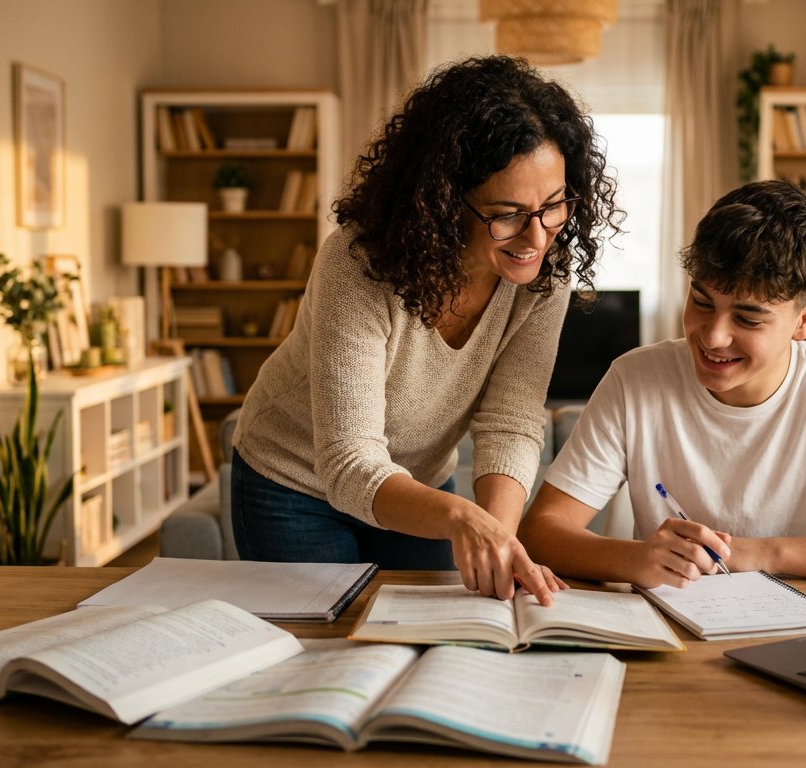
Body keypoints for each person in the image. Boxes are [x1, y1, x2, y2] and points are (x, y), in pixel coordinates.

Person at [231, 56, 621, 605]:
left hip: (417, 485)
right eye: (507, 213)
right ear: (441, 201)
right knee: (325, 652)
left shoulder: (542, 276)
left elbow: (510, 422)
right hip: (297, 483)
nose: (537, 236)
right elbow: (348, 462)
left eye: (554, 205)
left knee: (441, 631)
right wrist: (465, 519)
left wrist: (499, 534)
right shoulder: (360, 263)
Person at [519, 180, 806, 588]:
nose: (712, 337)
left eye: (747, 318)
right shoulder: (636, 379)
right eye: (701, 302)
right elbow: (541, 531)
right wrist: (634, 558)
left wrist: (765, 552)